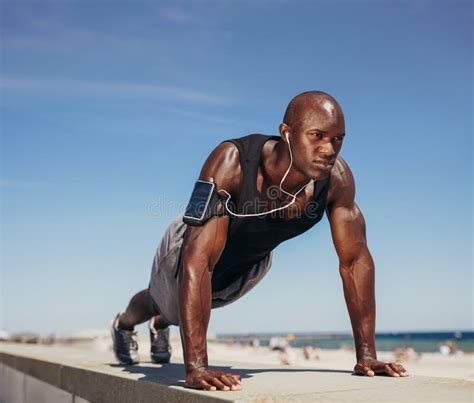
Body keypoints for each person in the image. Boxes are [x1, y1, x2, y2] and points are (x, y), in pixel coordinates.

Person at [111, 91, 410, 392]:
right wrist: (197, 367)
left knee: (178, 311)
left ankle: (163, 322)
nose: (329, 149)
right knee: (160, 300)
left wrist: (367, 356)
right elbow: (198, 260)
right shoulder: (231, 162)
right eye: (317, 135)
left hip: (249, 264)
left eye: (337, 139)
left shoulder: (337, 181)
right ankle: (124, 324)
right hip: (191, 245)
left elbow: (354, 262)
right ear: (287, 134)